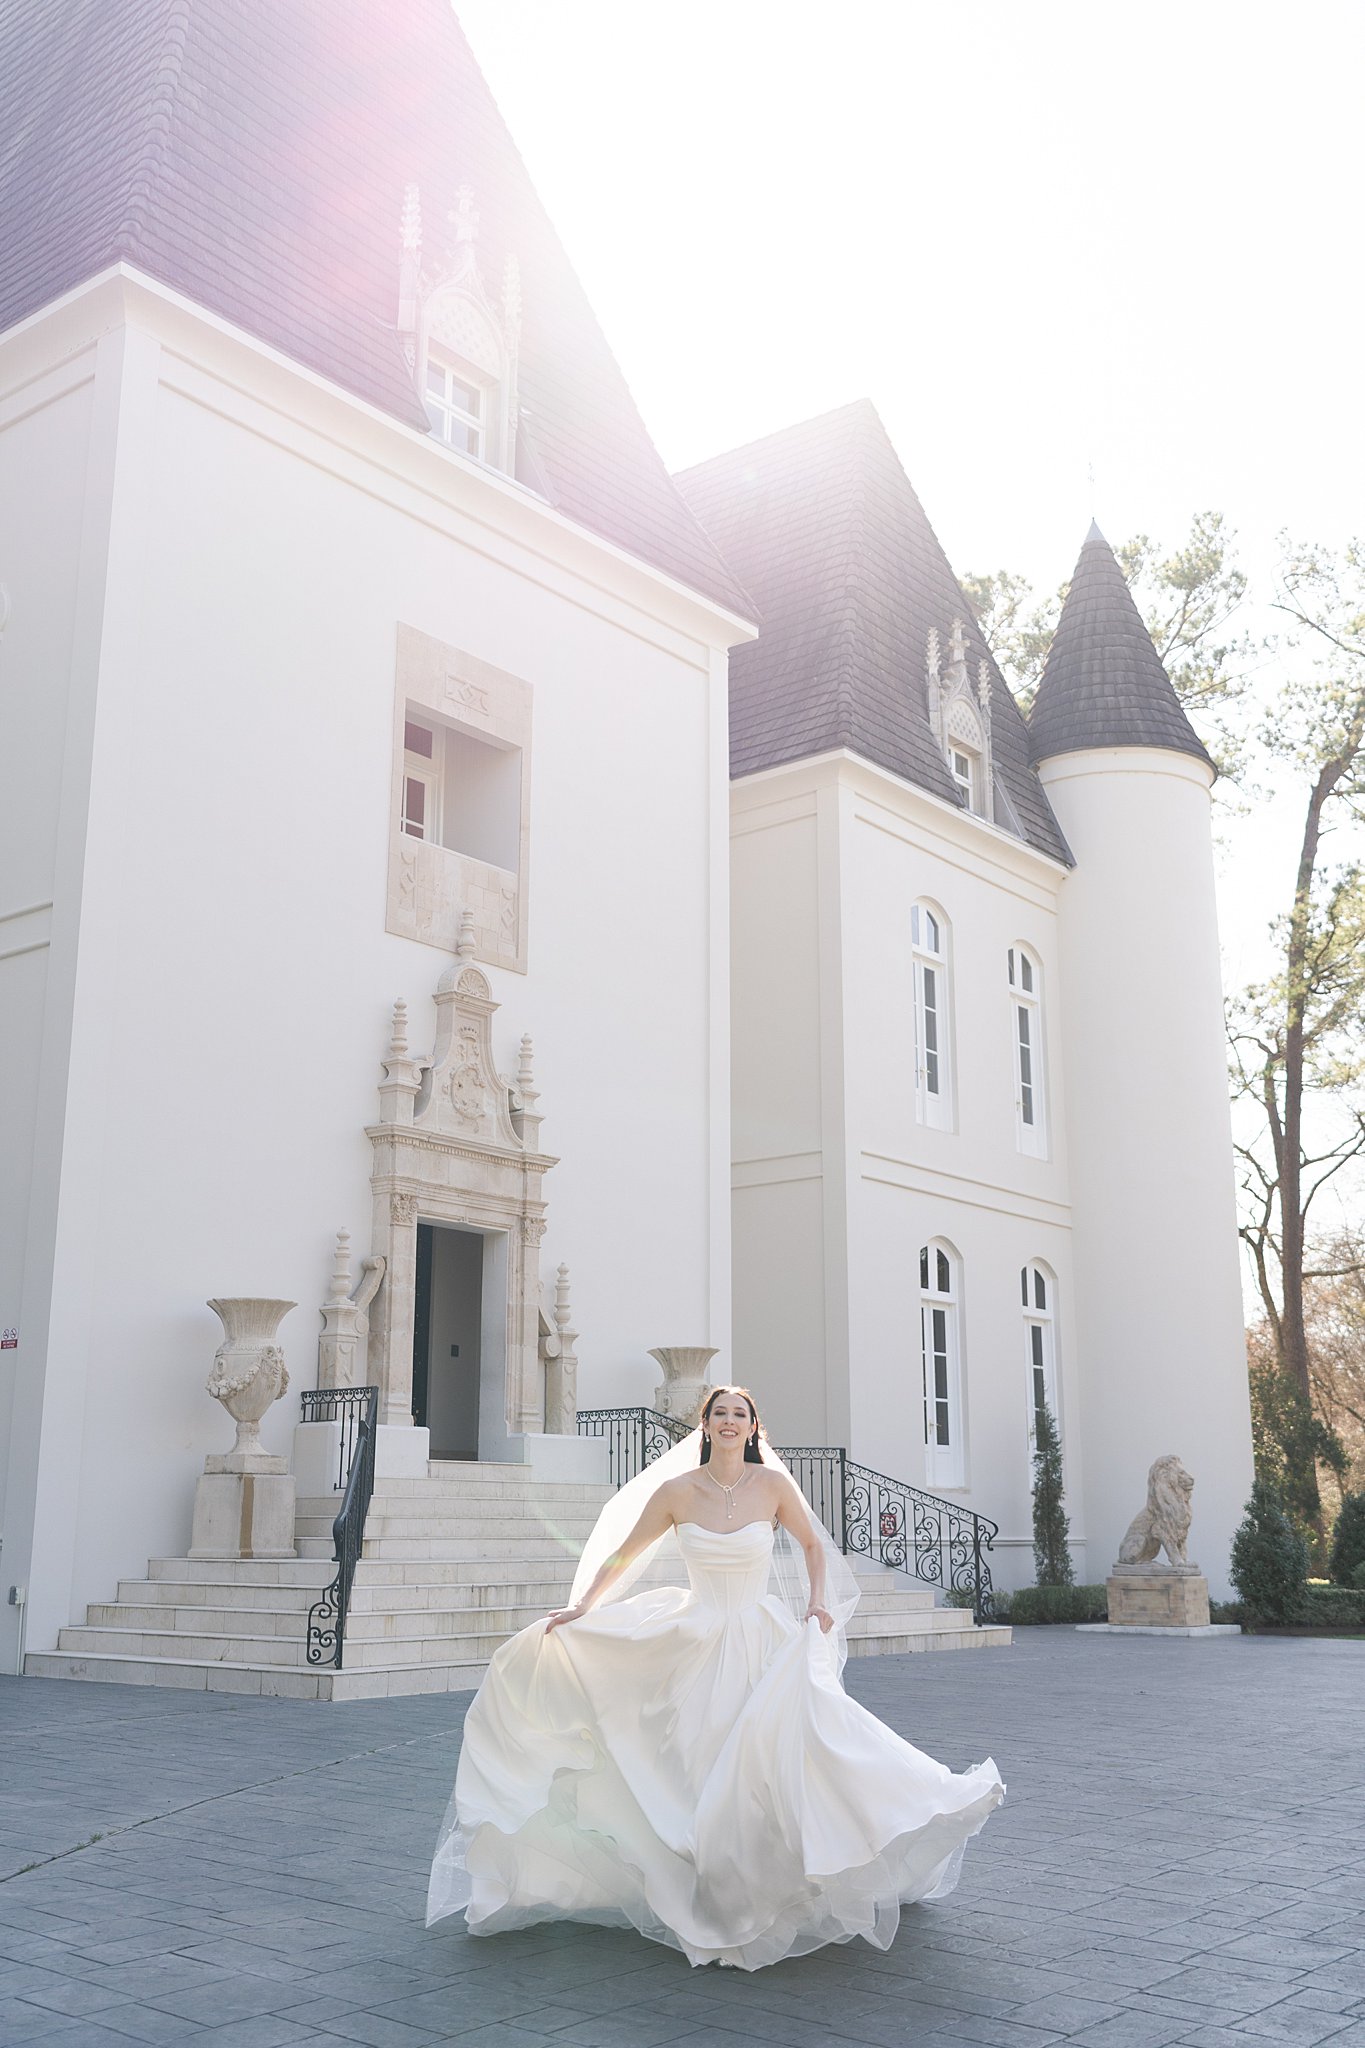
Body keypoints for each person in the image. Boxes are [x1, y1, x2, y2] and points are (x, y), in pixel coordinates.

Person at [427, 1385, 1003, 1970]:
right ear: (703, 1424)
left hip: (758, 1635)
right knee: (699, 1765)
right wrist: (582, 1607)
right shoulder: (676, 1491)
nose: (730, 1422)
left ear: (754, 1427)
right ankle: (713, 1885)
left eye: (740, 1414)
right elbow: (625, 1554)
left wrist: (816, 1602)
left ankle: (785, 1873)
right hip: (696, 1637)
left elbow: (810, 1543)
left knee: (784, 1754)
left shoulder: (774, 1486)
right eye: (720, 1413)